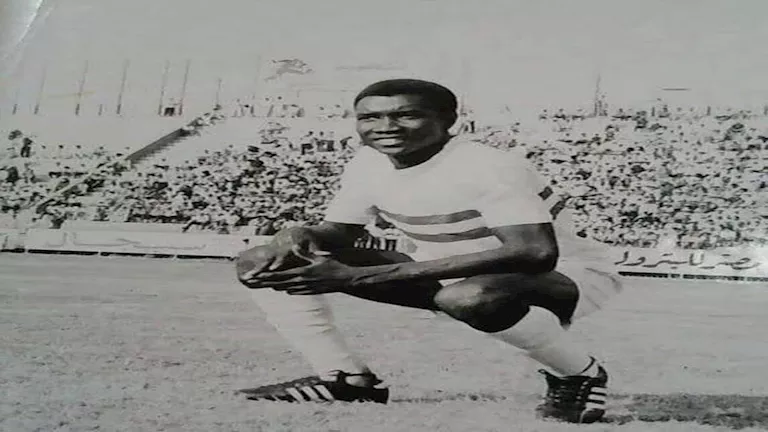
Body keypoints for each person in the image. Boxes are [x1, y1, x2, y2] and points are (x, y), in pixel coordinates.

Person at [235, 79, 623, 424]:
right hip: (446, 270)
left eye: (406, 115)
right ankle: (347, 379)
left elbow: (535, 253)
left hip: (567, 275)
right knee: (263, 261)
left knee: (468, 296)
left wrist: (359, 276)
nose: (386, 127)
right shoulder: (368, 162)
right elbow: (340, 231)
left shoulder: (487, 165)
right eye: (370, 117)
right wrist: (297, 233)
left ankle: (578, 374)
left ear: (449, 120)